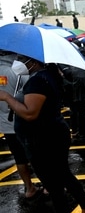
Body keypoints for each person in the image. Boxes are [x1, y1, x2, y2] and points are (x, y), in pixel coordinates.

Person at [0, 56, 85, 213]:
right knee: (63, 175)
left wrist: (8, 98)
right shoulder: (45, 76)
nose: (19, 62)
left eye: (23, 59)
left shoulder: (38, 81)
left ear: (34, 62)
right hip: (51, 135)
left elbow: (30, 113)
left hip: (43, 140)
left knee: (54, 186)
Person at [0, 50, 42, 200]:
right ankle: (47, 184)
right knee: (35, 154)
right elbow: (30, 91)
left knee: (19, 158)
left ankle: (29, 187)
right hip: (23, 120)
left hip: (5, 123)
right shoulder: (18, 70)